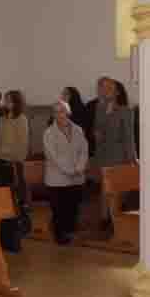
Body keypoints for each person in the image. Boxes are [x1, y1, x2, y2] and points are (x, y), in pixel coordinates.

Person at [44, 101, 89, 245]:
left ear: (68, 113)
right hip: (57, 179)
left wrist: (79, 168)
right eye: (56, 112)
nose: (59, 114)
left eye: (62, 111)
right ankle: (60, 237)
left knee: (73, 209)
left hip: (77, 177)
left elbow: (84, 151)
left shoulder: (78, 130)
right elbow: (53, 156)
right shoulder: (49, 133)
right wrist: (69, 171)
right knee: (59, 211)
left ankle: (70, 234)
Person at [0, 90, 30, 251]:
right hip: (1, 164)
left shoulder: (21, 119)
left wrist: (4, 153)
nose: (6, 103)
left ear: (16, 103)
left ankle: (14, 239)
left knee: (14, 203)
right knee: (2, 204)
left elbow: (21, 149)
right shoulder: (2, 119)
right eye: (5, 100)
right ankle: (3, 238)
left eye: (9, 100)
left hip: (14, 166)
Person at [91, 79, 136, 171]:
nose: (106, 91)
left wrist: (132, 160)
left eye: (110, 88)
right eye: (105, 88)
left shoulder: (125, 111)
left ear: (117, 92)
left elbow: (129, 138)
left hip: (118, 158)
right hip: (101, 156)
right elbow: (97, 130)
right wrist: (96, 133)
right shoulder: (99, 109)